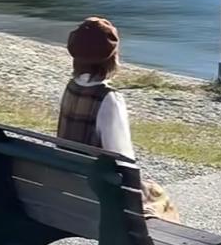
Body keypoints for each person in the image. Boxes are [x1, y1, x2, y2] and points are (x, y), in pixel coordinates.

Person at [58, 16, 177, 221]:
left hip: (70, 183)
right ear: (112, 57)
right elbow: (123, 160)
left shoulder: (71, 88)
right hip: (99, 192)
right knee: (158, 196)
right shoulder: (109, 99)